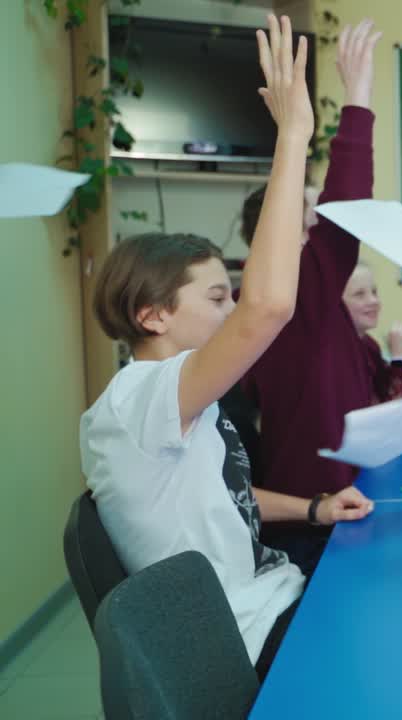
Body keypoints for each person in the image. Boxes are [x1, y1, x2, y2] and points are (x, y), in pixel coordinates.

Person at [80, 15, 375, 679]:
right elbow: (268, 306)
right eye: (217, 298)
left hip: (270, 593)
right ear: (152, 314)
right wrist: (293, 134)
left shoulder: (181, 401)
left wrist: (314, 508)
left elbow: (227, 497)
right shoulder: (141, 398)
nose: (233, 310)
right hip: (246, 637)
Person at [239, 19, 382, 575]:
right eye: (309, 216)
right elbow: (347, 213)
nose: (321, 221)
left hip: (329, 507)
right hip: (315, 528)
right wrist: (358, 97)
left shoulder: (307, 306)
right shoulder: (290, 296)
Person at [342, 261, 402, 400]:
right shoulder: (339, 354)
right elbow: (392, 403)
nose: (374, 301)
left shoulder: (368, 344)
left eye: (374, 292)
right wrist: (399, 358)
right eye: (359, 294)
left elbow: (388, 384)